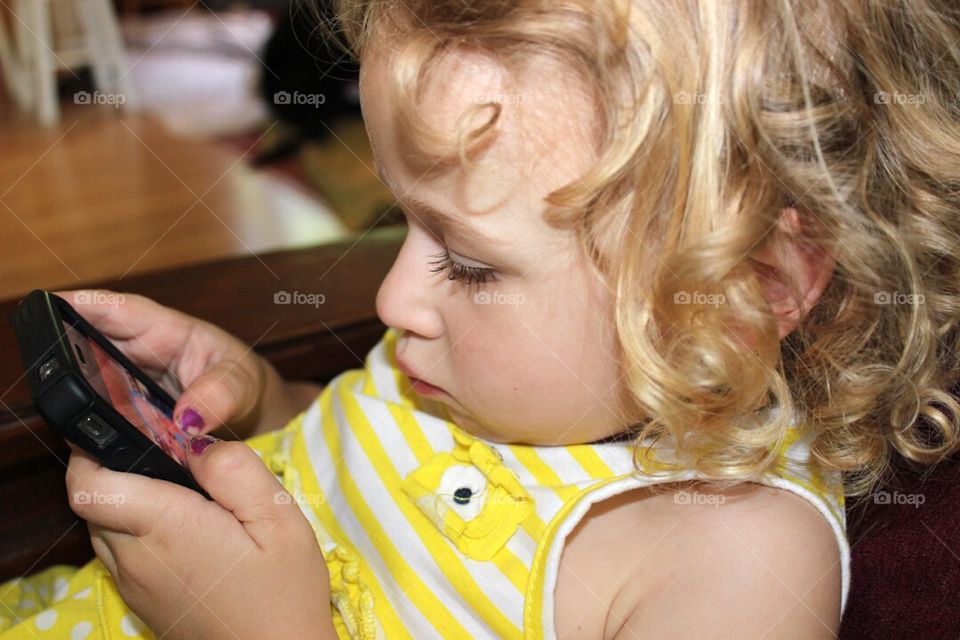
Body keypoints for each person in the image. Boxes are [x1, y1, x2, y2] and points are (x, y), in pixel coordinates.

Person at [3, 0, 960, 638]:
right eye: (398, 226)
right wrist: (260, 408)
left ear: (749, 287)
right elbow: (357, 456)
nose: (394, 301)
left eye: (468, 261)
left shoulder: (736, 565)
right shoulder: (458, 361)